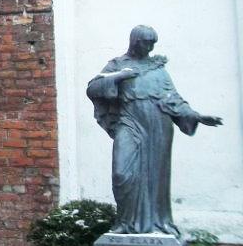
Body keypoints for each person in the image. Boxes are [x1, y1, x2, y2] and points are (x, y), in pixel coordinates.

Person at [86, 25, 222, 235]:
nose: (150, 48)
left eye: (152, 43)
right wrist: (118, 77)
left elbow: (173, 99)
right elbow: (93, 88)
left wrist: (196, 116)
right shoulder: (118, 65)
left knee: (156, 177)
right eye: (146, 43)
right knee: (121, 173)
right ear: (135, 41)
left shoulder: (158, 69)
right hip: (129, 123)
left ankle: (159, 222)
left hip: (158, 127)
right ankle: (125, 222)